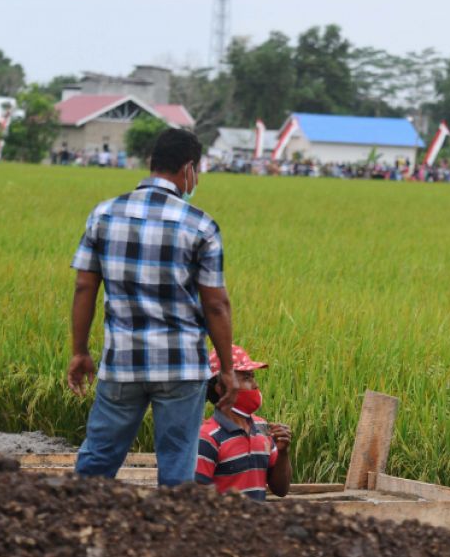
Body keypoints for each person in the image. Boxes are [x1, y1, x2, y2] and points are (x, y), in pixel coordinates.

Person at [67, 128, 238, 486]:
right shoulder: (200, 225)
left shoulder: (104, 214)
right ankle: (172, 538)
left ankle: (75, 527)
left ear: (151, 163)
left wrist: (79, 352)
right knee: (178, 464)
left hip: (122, 362)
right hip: (181, 365)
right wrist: (225, 367)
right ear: (189, 169)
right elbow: (217, 305)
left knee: (98, 457)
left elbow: (85, 285)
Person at [196, 345, 292, 500]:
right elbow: (198, 500)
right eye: (247, 378)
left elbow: (281, 490)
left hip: (256, 523)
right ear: (221, 388)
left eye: (253, 377)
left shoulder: (262, 427)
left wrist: (283, 453)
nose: (255, 385)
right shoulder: (207, 437)